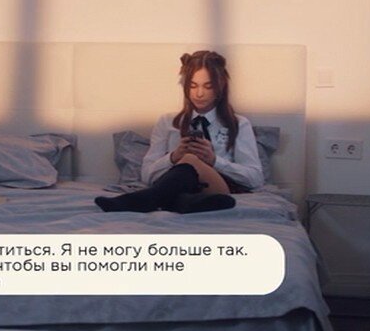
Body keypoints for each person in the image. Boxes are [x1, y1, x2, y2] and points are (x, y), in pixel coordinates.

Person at [96, 50, 263, 213]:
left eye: (208, 87)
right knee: (183, 184)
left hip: (217, 187)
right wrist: (174, 157)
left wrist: (214, 161)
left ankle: (145, 199)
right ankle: (184, 203)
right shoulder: (167, 122)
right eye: (193, 86)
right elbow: (146, 175)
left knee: (190, 159)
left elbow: (255, 179)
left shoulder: (239, 124)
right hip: (177, 187)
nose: (199, 93)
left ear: (219, 88)